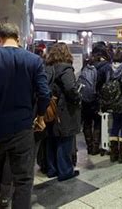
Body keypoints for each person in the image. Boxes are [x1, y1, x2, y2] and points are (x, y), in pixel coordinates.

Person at [0, 23, 50, 209]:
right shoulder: (34, 60)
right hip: (23, 130)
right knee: (23, 181)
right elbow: (44, 93)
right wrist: (40, 117)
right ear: (18, 38)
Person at [45, 43, 81, 181]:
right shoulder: (65, 68)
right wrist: (78, 97)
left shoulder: (47, 67)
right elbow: (71, 88)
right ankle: (65, 171)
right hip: (64, 110)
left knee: (51, 139)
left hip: (50, 109)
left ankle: (52, 169)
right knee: (65, 139)